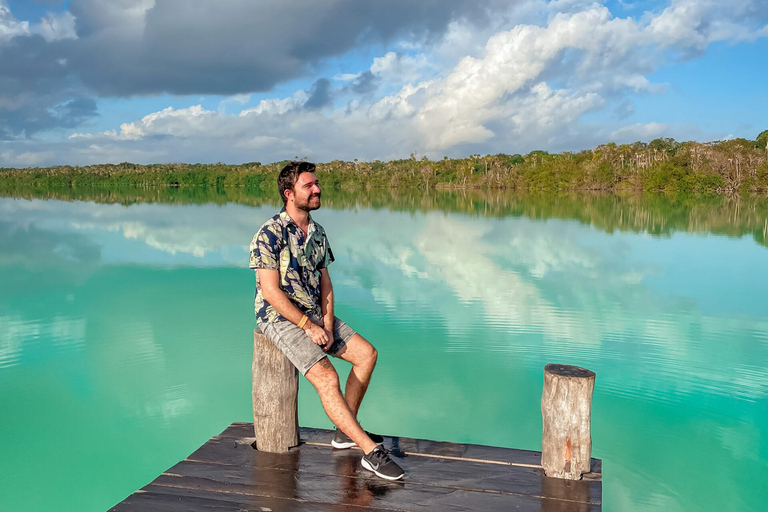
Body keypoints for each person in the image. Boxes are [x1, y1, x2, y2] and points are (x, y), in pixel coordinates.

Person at [248, 161, 405, 481]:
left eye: (317, 184)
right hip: (278, 317)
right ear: (289, 194)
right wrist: (308, 326)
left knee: (367, 354)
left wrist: (328, 325)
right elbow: (270, 291)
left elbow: (326, 283)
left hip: (315, 314)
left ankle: (343, 432)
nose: (318, 189)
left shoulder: (317, 232)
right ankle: (369, 451)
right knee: (326, 376)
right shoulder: (269, 233)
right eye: (309, 186)